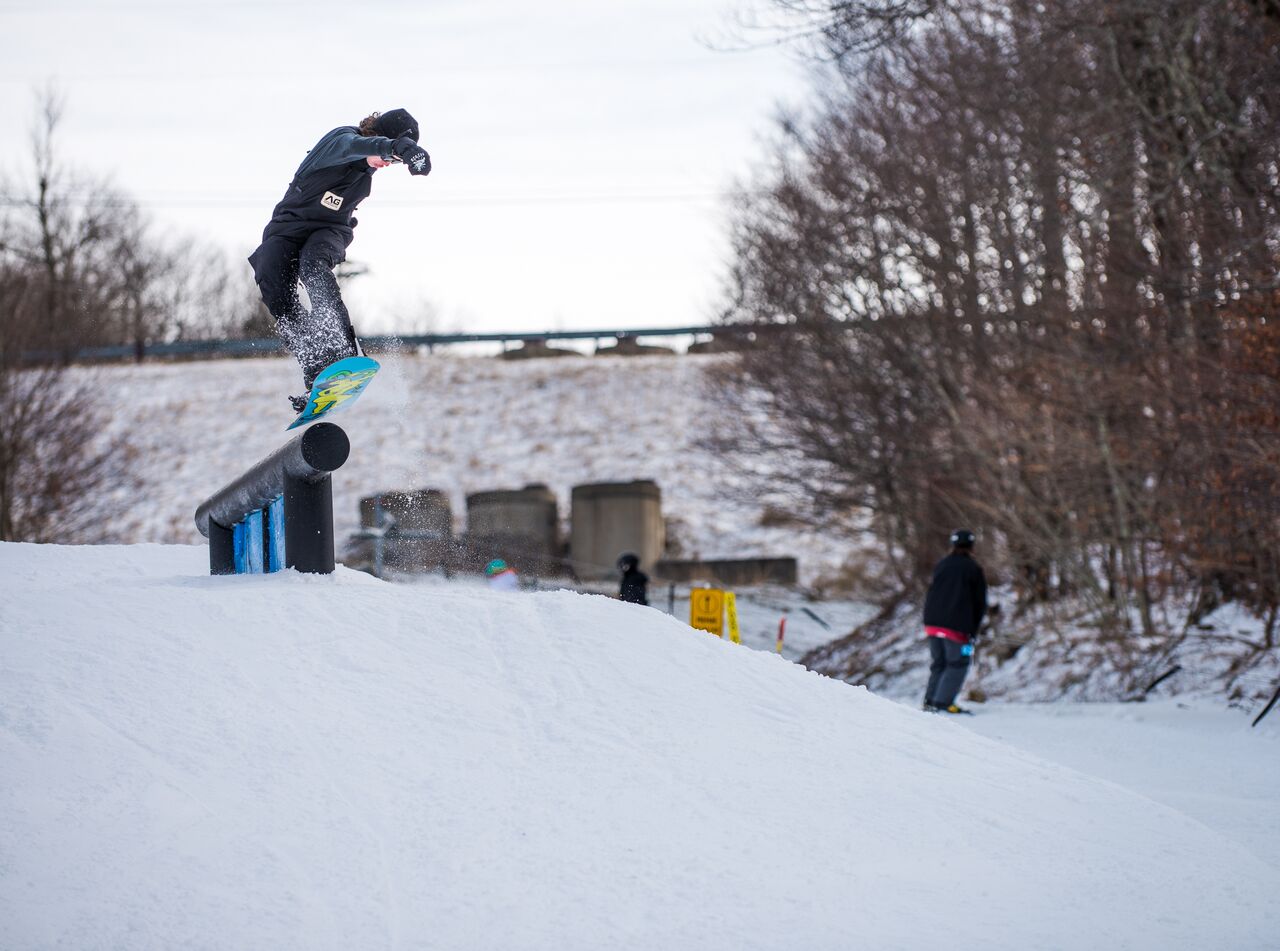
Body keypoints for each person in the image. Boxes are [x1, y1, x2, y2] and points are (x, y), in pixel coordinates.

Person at [248, 109, 431, 411]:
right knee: (274, 288)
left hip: (330, 230)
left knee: (313, 267)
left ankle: (344, 354)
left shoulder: (365, 174)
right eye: (389, 153)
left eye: (393, 161)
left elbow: (371, 155)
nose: (387, 163)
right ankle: (318, 370)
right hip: (286, 228)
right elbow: (357, 148)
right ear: (378, 136)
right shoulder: (340, 141)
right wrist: (397, 147)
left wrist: (397, 150)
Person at [922, 529, 988, 714]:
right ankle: (942, 704)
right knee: (958, 663)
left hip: (933, 624)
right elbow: (979, 602)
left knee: (939, 663)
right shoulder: (973, 568)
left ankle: (930, 701)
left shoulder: (942, 564)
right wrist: (973, 631)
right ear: (972, 547)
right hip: (957, 628)